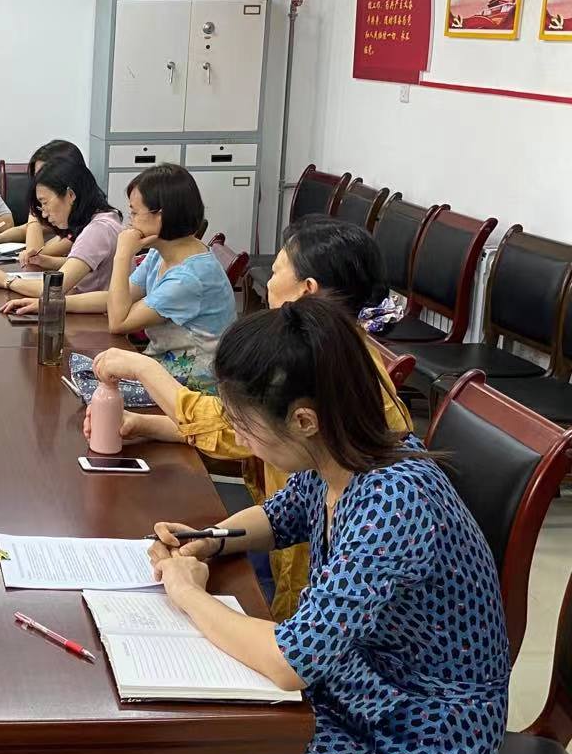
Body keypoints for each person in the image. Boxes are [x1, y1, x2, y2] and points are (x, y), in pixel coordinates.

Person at [148, 298, 507, 754]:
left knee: (184, 741)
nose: (240, 436)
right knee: (177, 736)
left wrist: (187, 593)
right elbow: (280, 515)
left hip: (418, 750)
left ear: (303, 420)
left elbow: (291, 661)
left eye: (243, 423)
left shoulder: (394, 503)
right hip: (363, 694)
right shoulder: (340, 455)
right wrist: (211, 539)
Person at [89, 215, 412, 619]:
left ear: (307, 292)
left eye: (275, 273)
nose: (267, 284)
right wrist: (211, 538)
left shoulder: (381, 498)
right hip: (290, 562)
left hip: (313, 598)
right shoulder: (326, 370)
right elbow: (281, 501)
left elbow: (298, 648)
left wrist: (186, 592)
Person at [98, 163, 234, 392]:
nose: (130, 222)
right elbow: (117, 298)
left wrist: (122, 255)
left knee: (97, 388)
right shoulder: (161, 253)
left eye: (134, 213)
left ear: (161, 216)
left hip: (192, 388)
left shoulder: (188, 278)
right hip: (162, 368)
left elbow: (118, 322)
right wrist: (55, 301)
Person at [0, 157, 123, 308]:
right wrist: (44, 261)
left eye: (45, 203)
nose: (44, 214)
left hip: (97, 318)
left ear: (70, 195)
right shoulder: (107, 216)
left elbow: (52, 290)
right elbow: (85, 265)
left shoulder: (97, 230)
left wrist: (6, 280)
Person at [0, 139, 85, 267]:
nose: (37, 183)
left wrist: (34, 210)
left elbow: (35, 254)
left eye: (44, 175)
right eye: (36, 176)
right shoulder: (66, 209)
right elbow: (27, 228)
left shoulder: (84, 221)